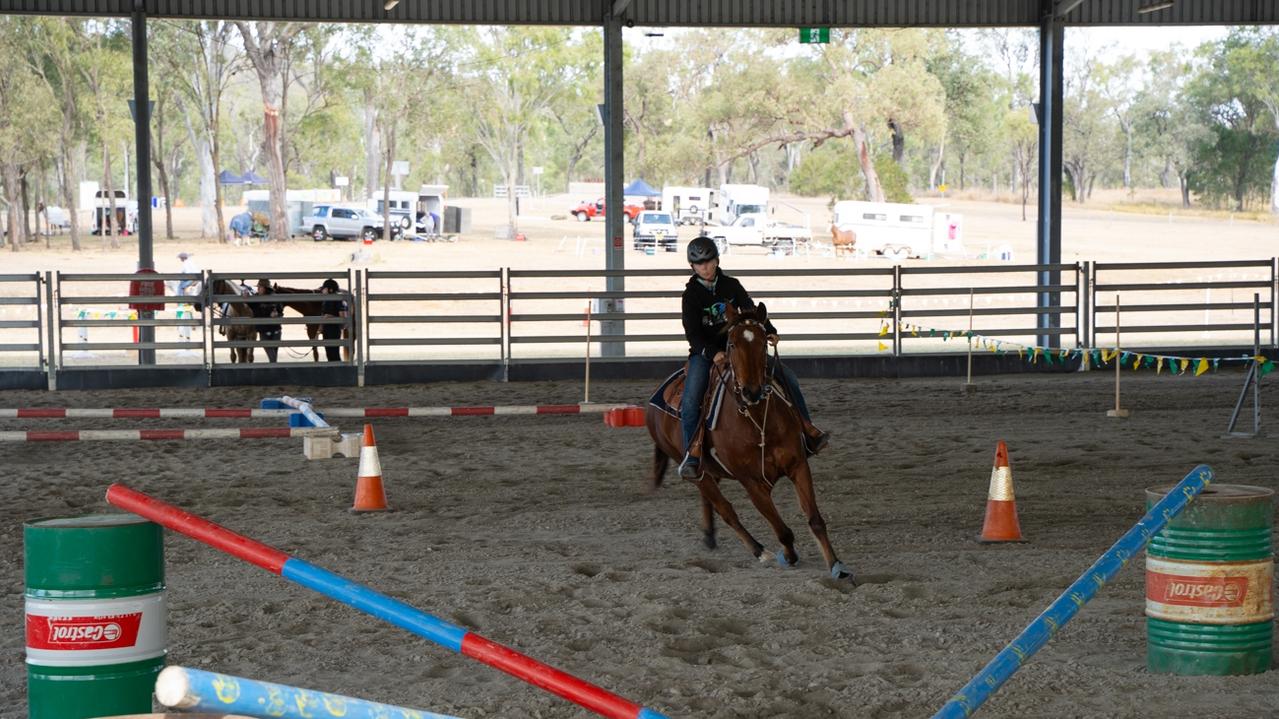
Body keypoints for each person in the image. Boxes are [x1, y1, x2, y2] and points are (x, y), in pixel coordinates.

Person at [677, 235, 829, 479]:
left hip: (740, 349)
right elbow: (692, 333)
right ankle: (692, 453)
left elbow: (751, 311)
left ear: (717, 260)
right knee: (691, 399)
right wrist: (712, 353)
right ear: (692, 267)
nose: (705, 267)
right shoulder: (691, 296)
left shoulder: (732, 285)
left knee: (788, 377)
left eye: (709, 261)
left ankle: (807, 430)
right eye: (699, 264)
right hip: (705, 354)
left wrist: (770, 331)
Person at [252, 278, 283, 363]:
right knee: (272, 357)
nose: (258, 289)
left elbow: (281, 313)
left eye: (260, 287)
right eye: (258, 287)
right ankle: (275, 372)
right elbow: (246, 303)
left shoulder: (275, 298)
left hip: (276, 330)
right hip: (263, 331)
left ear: (265, 288)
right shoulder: (254, 299)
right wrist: (245, 296)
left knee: (273, 357)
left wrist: (277, 315)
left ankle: (274, 373)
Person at [319, 278, 347, 362]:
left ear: (330, 290)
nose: (322, 290)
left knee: (334, 353)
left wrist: (331, 317)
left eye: (324, 288)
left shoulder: (338, 299)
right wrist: (320, 329)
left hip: (334, 329)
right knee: (329, 353)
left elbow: (343, 317)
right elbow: (323, 315)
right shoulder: (325, 300)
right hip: (326, 329)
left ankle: (338, 371)